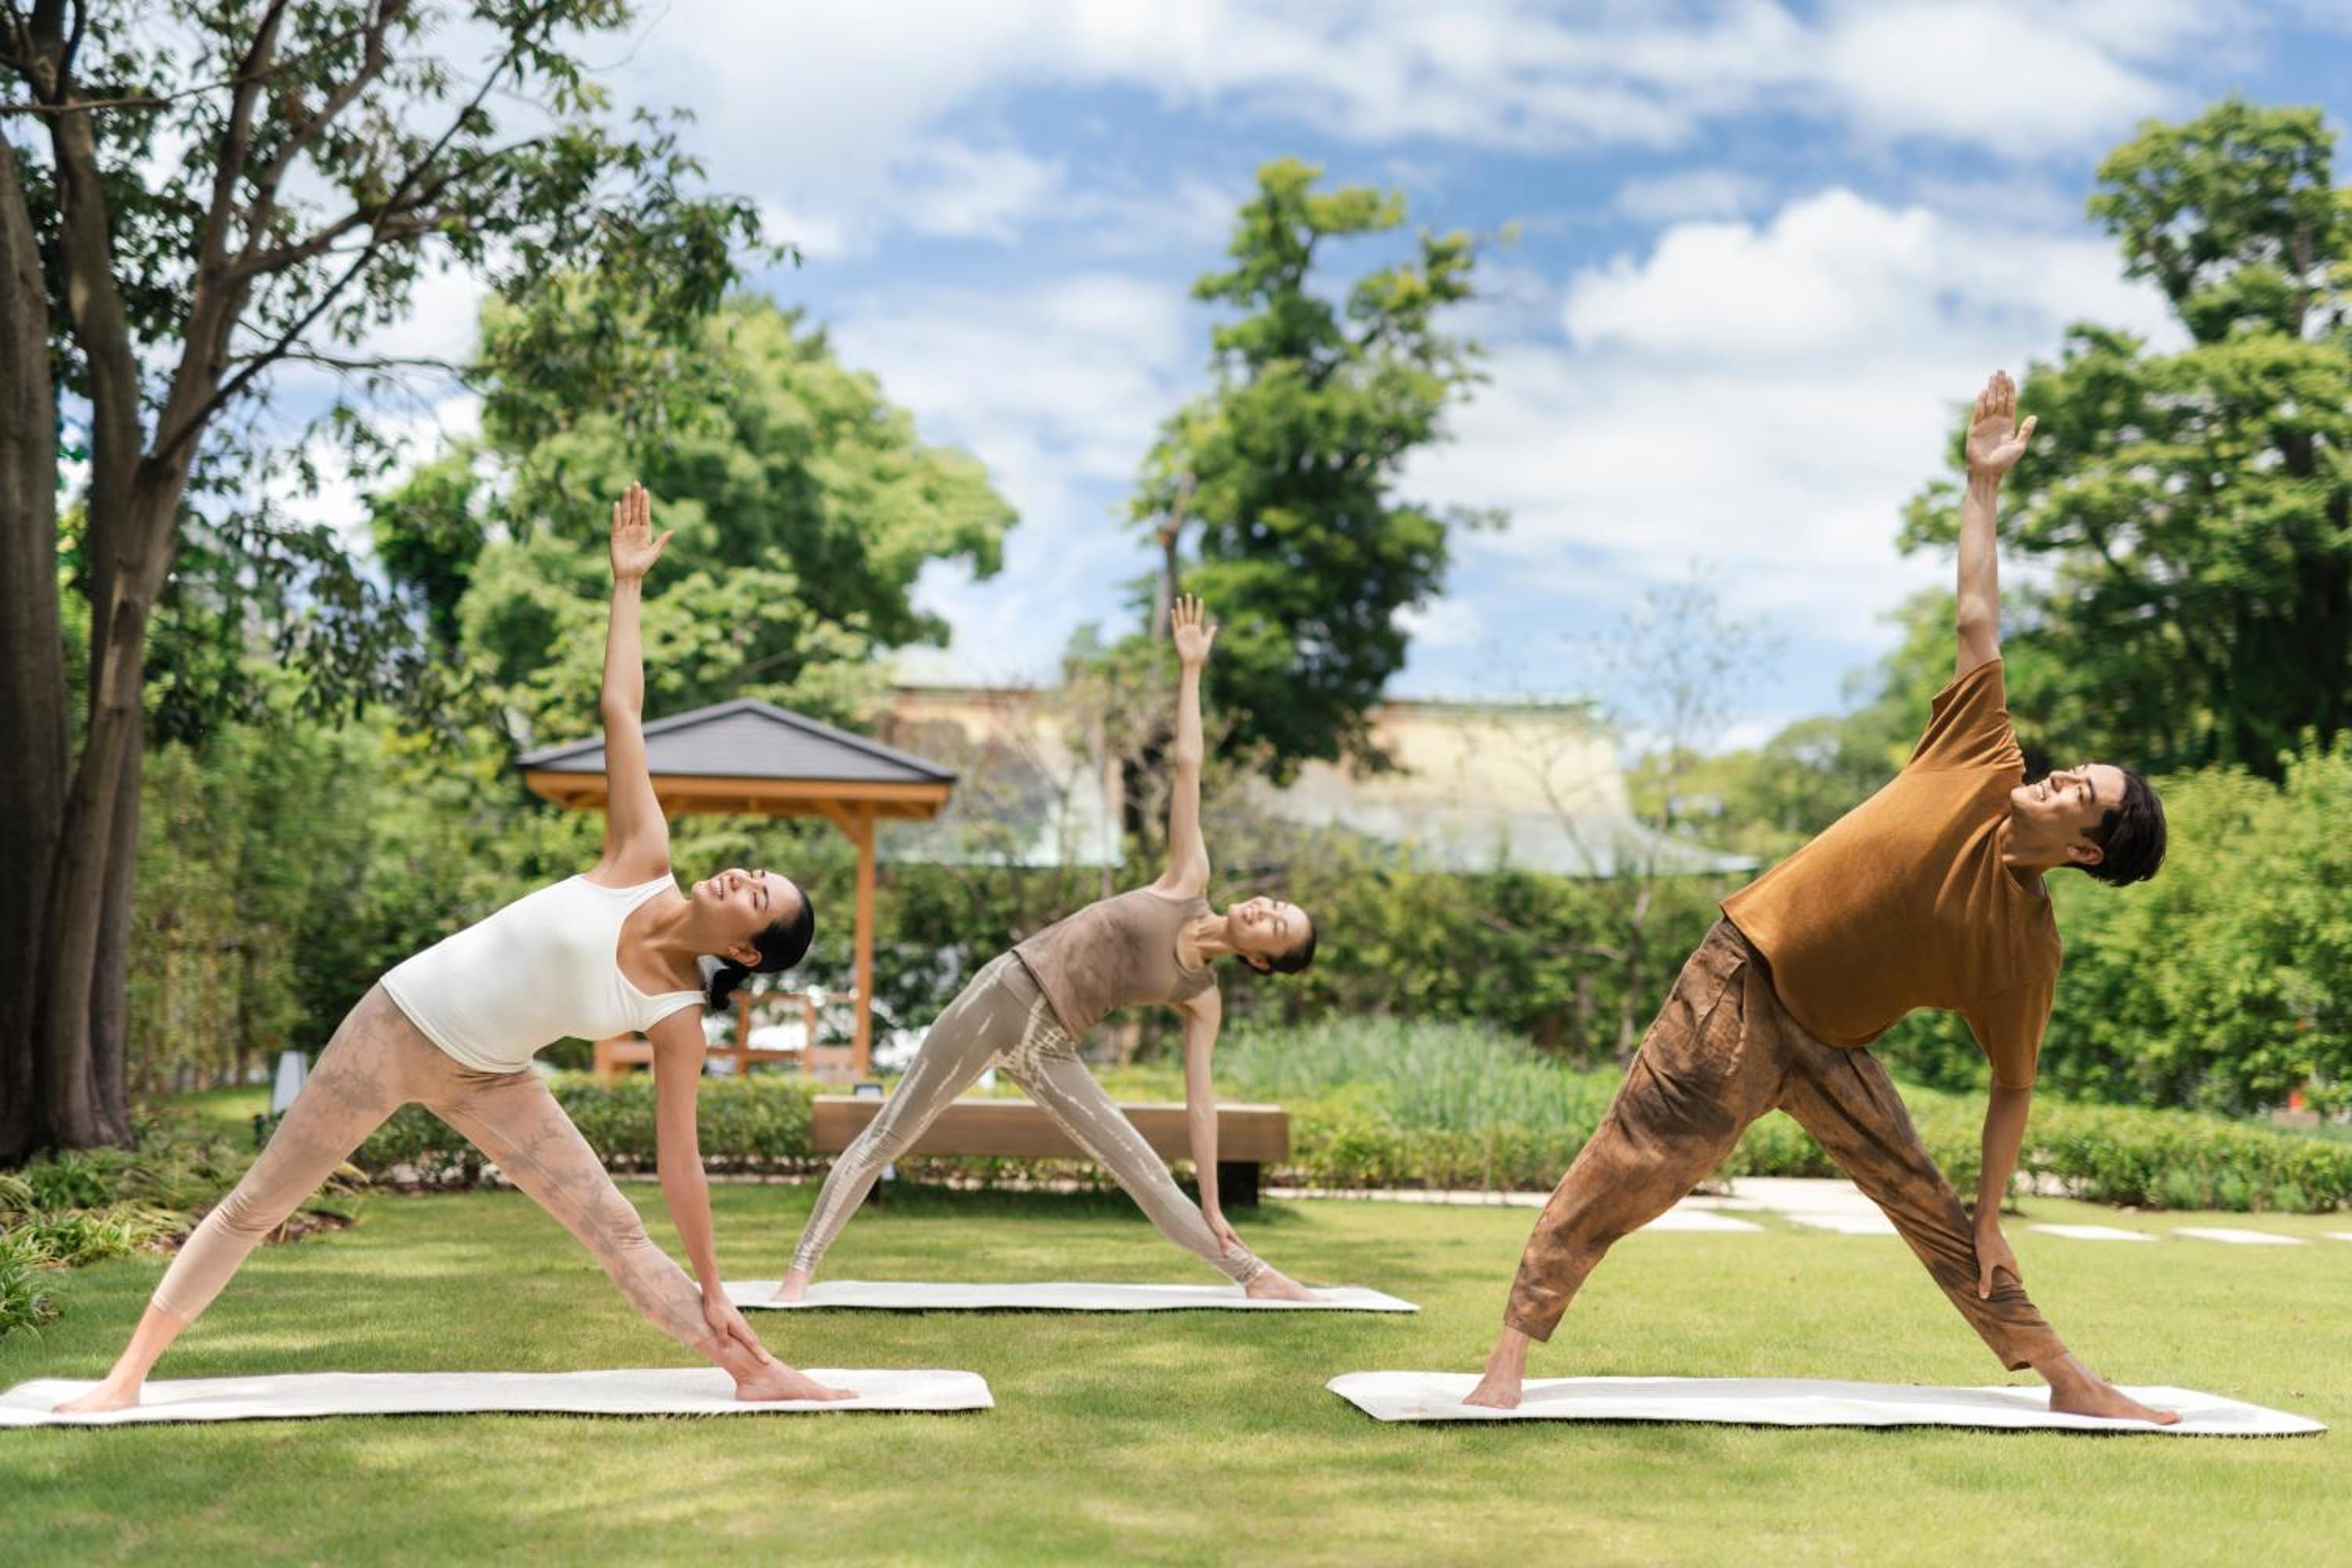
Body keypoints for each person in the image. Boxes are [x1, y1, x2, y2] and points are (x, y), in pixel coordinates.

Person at [1464, 372, 2178, 1424]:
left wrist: (1991, 1214)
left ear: (2082, 849)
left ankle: (2068, 1379)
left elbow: (2012, 1089)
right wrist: (1982, 486)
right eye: (2076, 769)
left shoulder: (2024, 949)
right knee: (1641, 1160)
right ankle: (1508, 1358)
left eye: (2084, 793)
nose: (2064, 775)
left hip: (1834, 1046)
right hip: (1742, 982)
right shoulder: (1981, 752)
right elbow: (1976, 612)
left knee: (1930, 1203)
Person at [59, 485, 846, 1411]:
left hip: (491, 1079)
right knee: (260, 1201)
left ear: (748, 952)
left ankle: (755, 1371)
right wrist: (627, 584)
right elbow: (620, 710)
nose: (740, 876)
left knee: (618, 1228)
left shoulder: (677, 1019)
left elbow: (683, 1159)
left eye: (757, 896)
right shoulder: (642, 857)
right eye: (752, 870)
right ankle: (125, 1377)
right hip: (397, 1024)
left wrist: (714, 1281)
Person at [774, 597, 1319, 1302]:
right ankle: (798, 1274)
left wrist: (1213, 1203)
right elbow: (1189, 766)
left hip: (1052, 1047)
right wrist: (1191, 671)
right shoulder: (1189, 881)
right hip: (1003, 995)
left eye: (1275, 927)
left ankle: (1254, 1277)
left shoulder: (1201, 998)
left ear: (1261, 961)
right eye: (1275, 905)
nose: (1264, 910)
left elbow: (1201, 1107)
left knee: (1143, 1171)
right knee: (892, 1133)